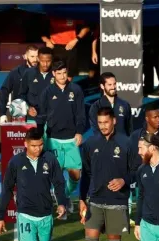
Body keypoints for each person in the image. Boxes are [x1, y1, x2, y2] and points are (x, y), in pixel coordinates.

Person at [79, 107, 135, 241]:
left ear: (114, 121)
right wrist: (81, 199)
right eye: (100, 123)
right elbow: (86, 174)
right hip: (94, 200)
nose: (103, 126)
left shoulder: (127, 143)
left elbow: (137, 170)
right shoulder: (90, 144)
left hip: (117, 201)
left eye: (106, 122)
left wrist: (123, 180)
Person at [37, 61, 86, 216]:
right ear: (53, 74)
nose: (62, 76)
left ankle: (64, 195)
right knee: (55, 176)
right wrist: (40, 136)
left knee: (75, 174)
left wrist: (79, 132)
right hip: (53, 140)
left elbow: (80, 114)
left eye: (64, 72)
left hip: (71, 140)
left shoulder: (76, 90)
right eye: (59, 73)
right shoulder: (47, 92)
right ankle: (61, 203)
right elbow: (42, 115)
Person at [0, 45, 38, 123]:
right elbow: (4, 90)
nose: (35, 59)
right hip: (20, 114)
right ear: (25, 57)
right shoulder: (16, 72)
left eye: (37, 56)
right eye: (32, 56)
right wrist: (2, 113)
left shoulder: (44, 73)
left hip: (38, 115)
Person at [89, 72, 132, 137]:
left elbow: (130, 129)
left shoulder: (125, 105)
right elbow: (96, 130)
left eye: (114, 84)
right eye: (109, 84)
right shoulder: (96, 107)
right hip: (105, 145)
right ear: (102, 86)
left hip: (123, 145)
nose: (113, 87)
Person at [18, 47, 54, 123]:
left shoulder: (57, 74)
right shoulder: (28, 73)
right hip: (33, 117)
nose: (45, 64)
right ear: (38, 59)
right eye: (42, 61)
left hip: (53, 117)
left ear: (52, 60)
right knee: (33, 135)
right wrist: (28, 108)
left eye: (48, 61)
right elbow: (21, 95)